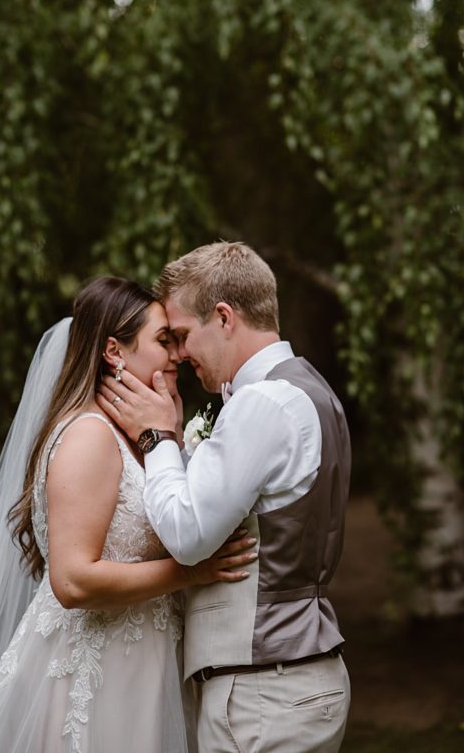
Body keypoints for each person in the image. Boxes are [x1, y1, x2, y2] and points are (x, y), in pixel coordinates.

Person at [0, 276, 258, 753]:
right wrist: (187, 572)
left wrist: (169, 437)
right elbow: (72, 581)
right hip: (92, 671)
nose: (177, 355)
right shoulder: (90, 436)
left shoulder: (138, 435)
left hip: (143, 663)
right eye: (162, 341)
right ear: (114, 351)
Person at [98, 243, 352, 753]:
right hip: (290, 681)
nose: (181, 354)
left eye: (185, 336)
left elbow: (188, 536)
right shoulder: (310, 390)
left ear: (224, 317)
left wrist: (158, 439)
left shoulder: (262, 403)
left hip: (264, 693)